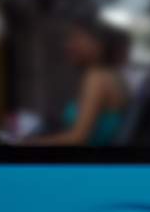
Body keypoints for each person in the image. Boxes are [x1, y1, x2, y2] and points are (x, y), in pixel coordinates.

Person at [26, 17, 130, 146]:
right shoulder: (112, 74)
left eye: (76, 38)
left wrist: (27, 144)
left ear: (98, 42)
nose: (68, 45)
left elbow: (78, 138)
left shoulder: (97, 78)